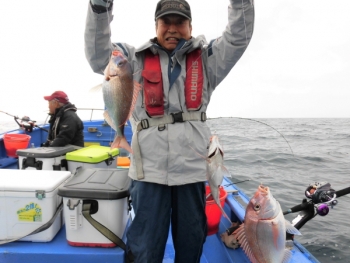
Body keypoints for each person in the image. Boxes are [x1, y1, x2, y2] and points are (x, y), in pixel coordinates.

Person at [85, 0, 254, 262]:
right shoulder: (131, 60)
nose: (173, 29)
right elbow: (98, 55)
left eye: (180, 22)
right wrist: (99, 8)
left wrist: (241, 3)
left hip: (192, 173)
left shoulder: (209, 60)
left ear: (190, 26)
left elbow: (238, 37)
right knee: (145, 249)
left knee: (190, 246)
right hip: (148, 173)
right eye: (166, 22)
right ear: (156, 26)